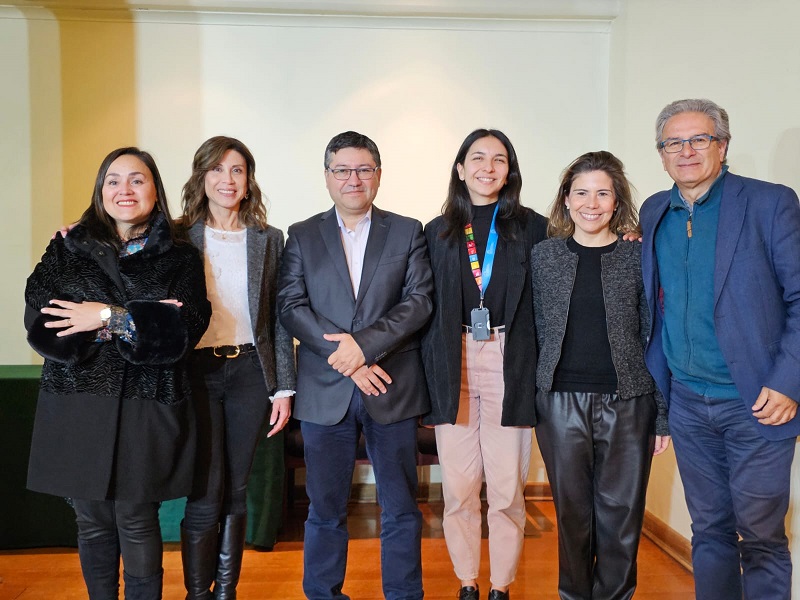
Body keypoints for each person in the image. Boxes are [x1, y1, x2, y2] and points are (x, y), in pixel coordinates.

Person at [25, 147, 211, 599]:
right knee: (91, 518)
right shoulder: (67, 246)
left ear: (155, 189)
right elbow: (42, 319)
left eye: (137, 179)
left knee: (136, 515)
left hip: (147, 400)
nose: (124, 190)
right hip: (78, 397)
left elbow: (184, 328)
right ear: (100, 190)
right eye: (114, 180)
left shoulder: (181, 256)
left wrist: (104, 316)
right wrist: (140, 320)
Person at [641, 98, 800, 600]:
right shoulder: (654, 211)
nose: (686, 151)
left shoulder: (770, 203)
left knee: (760, 535)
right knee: (708, 530)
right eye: (673, 142)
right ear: (662, 153)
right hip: (688, 402)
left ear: (722, 145)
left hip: (757, 403)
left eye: (699, 139)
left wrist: (788, 380)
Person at [277, 131, 433, 600]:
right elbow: (290, 305)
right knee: (324, 508)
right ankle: (323, 593)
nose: (354, 179)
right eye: (342, 170)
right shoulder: (302, 234)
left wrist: (363, 348)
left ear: (379, 174)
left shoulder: (408, 230)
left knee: (401, 506)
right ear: (327, 177)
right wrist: (345, 358)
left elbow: (420, 301)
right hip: (325, 393)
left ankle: (403, 595)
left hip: (392, 385)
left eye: (364, 169)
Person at [531, 151, 669, 600]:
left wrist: (662, 416)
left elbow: (655, 333)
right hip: (559, 402)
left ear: (617, 201)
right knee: (572, 515)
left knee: (622, 517)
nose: (592, 203)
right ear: (566, 200)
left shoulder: (638, 255)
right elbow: (528, 330)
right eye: (581, 192)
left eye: (603, 193)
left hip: (630, 402)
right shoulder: (543, 256)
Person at [421, 128, 547, 600]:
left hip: (509, 356)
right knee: (458, 487)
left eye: (499, 159)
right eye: (477, 158)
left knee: (508, 489)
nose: (487, 168)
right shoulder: (436, 231)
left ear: (510, 170)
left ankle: (501, 586)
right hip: (452, 359)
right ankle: (468, 582)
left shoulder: (534, 227)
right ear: (460, 168)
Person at [179, 136, 296, 599]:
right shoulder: (176, 235)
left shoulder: (269, 240)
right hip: (196, 373)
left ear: (248, 182)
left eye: (237, 171)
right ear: (201, 177)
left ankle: (225, 592)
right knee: (205, 489)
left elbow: (278, 320)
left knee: (237, 487)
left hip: (250, 371)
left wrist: (284, 387)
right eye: (217, 170)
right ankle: (197, 593)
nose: (227, 180)